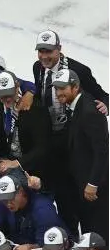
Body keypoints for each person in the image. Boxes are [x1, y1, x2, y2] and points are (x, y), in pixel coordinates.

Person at [52, 69, 108, 239]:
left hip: (94, 187)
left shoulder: (90, 111)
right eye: (56, 89)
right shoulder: (75, 107)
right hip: (81, 183)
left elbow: (102, 151)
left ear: (75, 87)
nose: (59, 93)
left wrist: (93, 183)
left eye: (63, 88)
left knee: (97, 233)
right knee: (87, 229)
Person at [0, 71, 51, 182]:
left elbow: (43, 147)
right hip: (8, 159)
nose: (6, 99)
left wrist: (17, 163)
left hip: (32, 169)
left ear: (17, 86)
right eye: (2, 96)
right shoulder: (0, 103)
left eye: (9, 94)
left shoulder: (35, 108)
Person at [0, 174, 65, 247]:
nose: (8, 204)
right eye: (4, 200)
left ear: (21, 191)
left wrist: (29, 247)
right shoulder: (3, 204)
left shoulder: (42, 209)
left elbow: (49, 245)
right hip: (17, 246)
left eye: (11, 198)